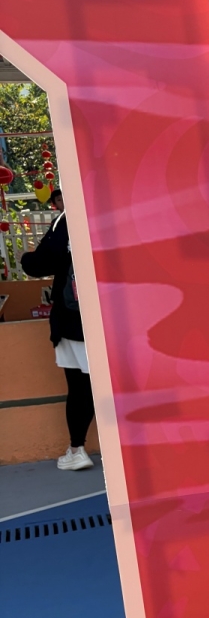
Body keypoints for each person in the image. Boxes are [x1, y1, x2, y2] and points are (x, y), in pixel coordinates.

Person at [20, 189, 96, 471]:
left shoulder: (67, 220)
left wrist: (25, 258)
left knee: (80, 387)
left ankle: (77, 449)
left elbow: (41, 263)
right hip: (117, 316)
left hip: (76, 321)